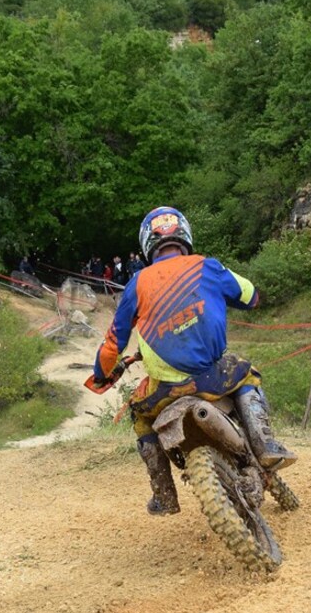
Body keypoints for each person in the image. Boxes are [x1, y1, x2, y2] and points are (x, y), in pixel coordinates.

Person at [92, 206, 295, 516]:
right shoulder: (207, 267)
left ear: (149, 243)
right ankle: (265, 442)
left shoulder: (136, 283)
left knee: (140, 416)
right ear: (184, 234)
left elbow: (112, 344)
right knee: (247, 374)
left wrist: (101, 376)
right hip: (214, 376)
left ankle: (164, 495)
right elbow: (250, 295)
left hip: (165, 391)